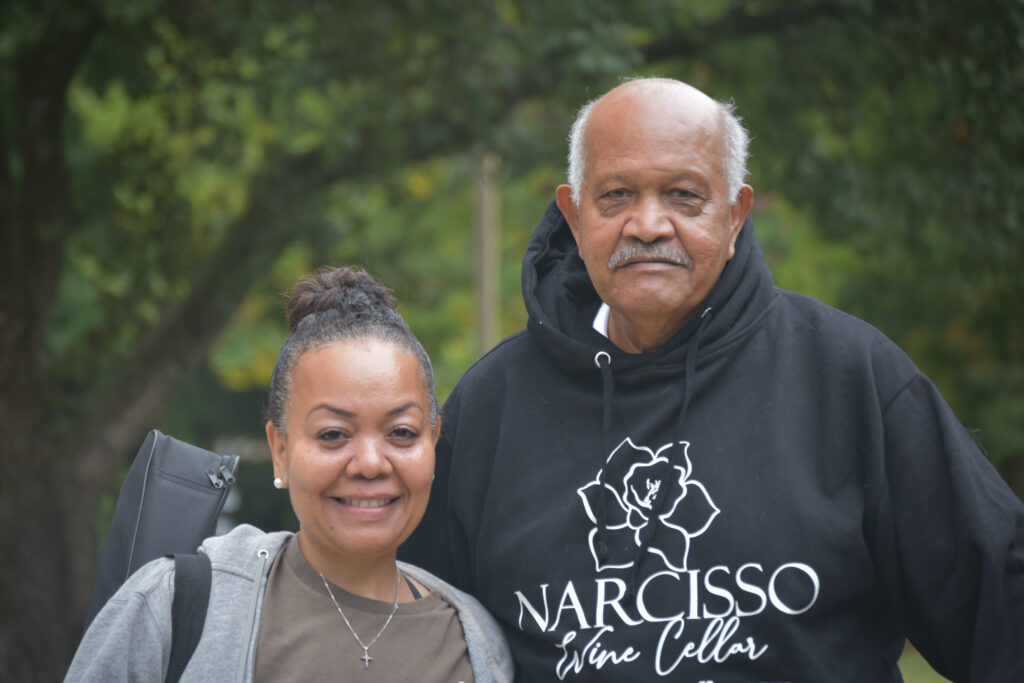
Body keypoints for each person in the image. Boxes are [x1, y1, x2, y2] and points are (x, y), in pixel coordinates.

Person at [401, 77, 1024, 680]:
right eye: (616, 195)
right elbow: (413, 638)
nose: (648, 224)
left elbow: (998, 602)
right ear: (574, 213)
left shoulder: (851, 379)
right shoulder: (493, 408)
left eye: (683, 195)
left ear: (735, 214)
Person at [66, 267, 513, 682]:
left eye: (401, 432)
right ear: (279, 449)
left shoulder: (477, 646)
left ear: (432, 442)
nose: (371, 463)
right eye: (334, 434)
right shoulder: (170, 606)